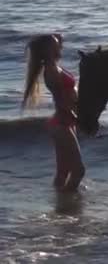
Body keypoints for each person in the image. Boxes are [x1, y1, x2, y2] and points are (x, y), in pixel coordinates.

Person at [22, 33, 85, 191]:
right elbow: (61, 101)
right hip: (62, 123)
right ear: (49, 49)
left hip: (64, 122)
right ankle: (66, 205)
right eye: (56, 44)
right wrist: (77, 119)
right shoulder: (51, 70)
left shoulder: (54, 67)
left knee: (63, 172)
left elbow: (59, 39)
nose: (60, 45)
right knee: (78, 171)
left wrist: (55, 38)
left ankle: (59, 205)